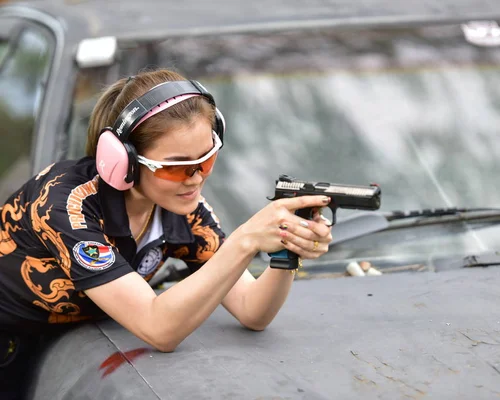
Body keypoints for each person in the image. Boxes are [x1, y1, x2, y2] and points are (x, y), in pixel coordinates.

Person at [0, 69, 332, 398]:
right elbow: (159, 329)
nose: (196, 179)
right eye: (176, 166)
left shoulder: (182, 207)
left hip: (61, 353)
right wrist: (245, 240)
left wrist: (289, 244)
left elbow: (252, 310)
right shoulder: (65, 204)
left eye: (207, 159)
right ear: (122, 161)